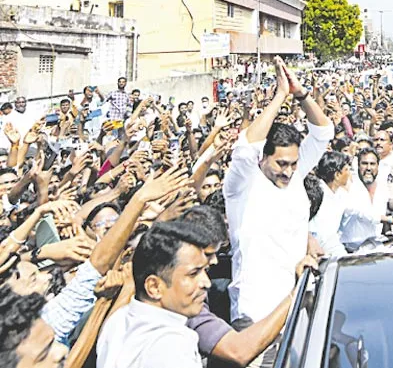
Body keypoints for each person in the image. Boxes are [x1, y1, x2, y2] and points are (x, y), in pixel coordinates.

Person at [223, 58, 332, 330]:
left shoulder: (295, 174)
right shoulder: (241, 186)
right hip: (254, 311)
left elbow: (323, 132)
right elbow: (246, 146)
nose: (288, 171)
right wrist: (280, 96)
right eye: (281, 164)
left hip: (297, 303)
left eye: (294, 163)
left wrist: (301, 94)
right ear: (263, 158)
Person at [97, 221, 212, 368]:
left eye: (205, 271)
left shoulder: (118, 319)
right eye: (193, 274)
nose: (206, 283)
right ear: (154, 287)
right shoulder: (172, 344)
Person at [340, 148, 393, 251]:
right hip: (350, 249)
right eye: (364, 163)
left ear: (378, 166)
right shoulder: (348, 186)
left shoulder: (383, 187)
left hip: (375, 247)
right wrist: (390, 220)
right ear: (358, 166)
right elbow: (361, 212)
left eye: (372, 164)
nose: (368, 168)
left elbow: (390, 207)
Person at [309, 152, 351, 256]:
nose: (349, 173)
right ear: (337, 175)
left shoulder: (341, 194)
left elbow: (360, 211)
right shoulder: (316, 193)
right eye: (346, 170)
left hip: (332, 247)